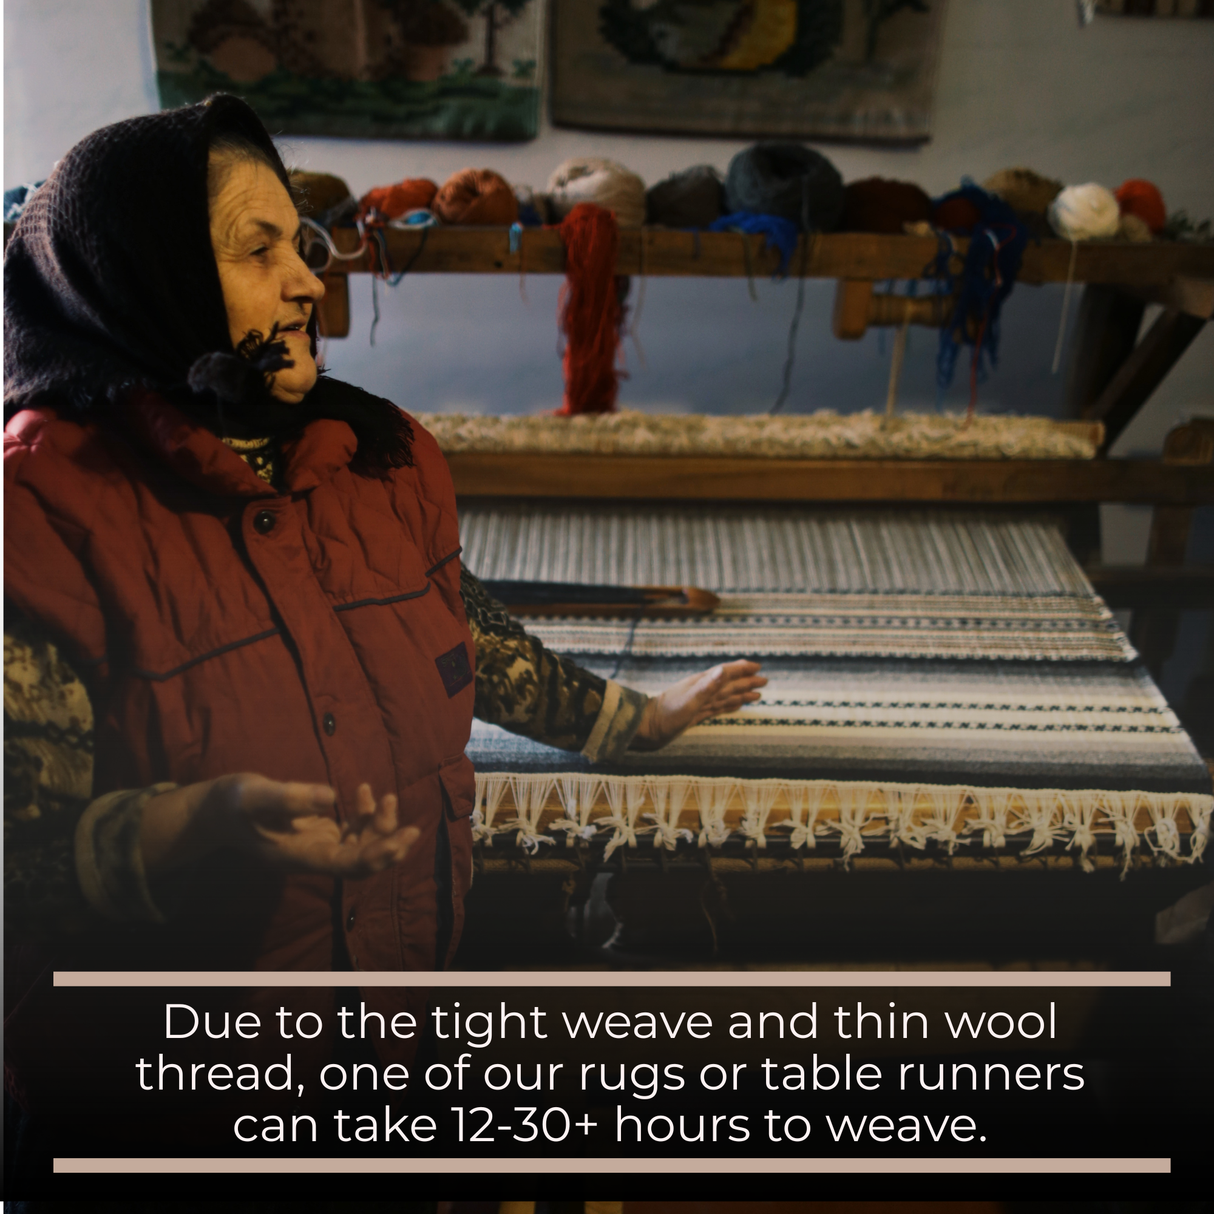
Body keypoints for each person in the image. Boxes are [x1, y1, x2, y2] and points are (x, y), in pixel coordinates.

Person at [3, 95, 765, 1120]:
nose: (307, 279)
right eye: (253, 247)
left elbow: (466, 638)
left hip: (389, 1048)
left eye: (302, 242)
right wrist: (196, 821)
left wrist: (635, 717)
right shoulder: (41, 512)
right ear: (148, 271)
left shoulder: (374, 457)